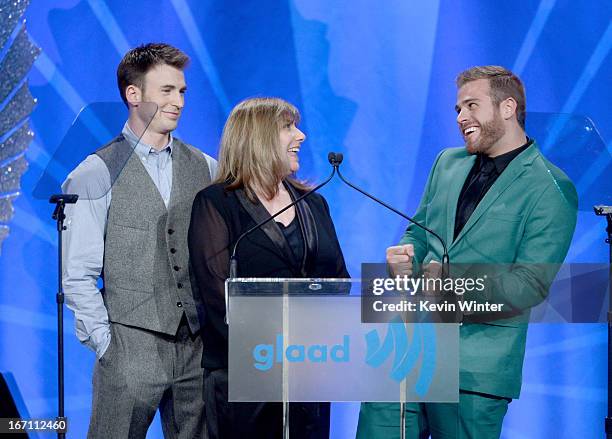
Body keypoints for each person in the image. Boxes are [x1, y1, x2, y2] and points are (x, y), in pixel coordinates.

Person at [357, 66, 577, 438]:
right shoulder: (447, 163)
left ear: (507, 108)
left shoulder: (550, 187)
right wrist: (405, 254)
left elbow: (530, 284)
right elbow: (421, 229)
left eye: (471, 106)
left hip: (474, 367)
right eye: (458, 109)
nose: (461, 118)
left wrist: (452, 287)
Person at [62, 43, 217, 438]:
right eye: (166, 91)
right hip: (129, 346)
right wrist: (108, 347)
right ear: (133, 95)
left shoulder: (205, 167)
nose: (178, 101)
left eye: (181, 92)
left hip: (195, 350)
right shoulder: (95, 171)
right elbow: (77, 273)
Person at [188, 97, 349, 438]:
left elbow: (339, 281)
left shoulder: (314, 203)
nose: (301, 136)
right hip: (244, 378)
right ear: (257, 138)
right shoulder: (217, 204)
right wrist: (274, 353)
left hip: (310, 377)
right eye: (288, 127)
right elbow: (217, 297)